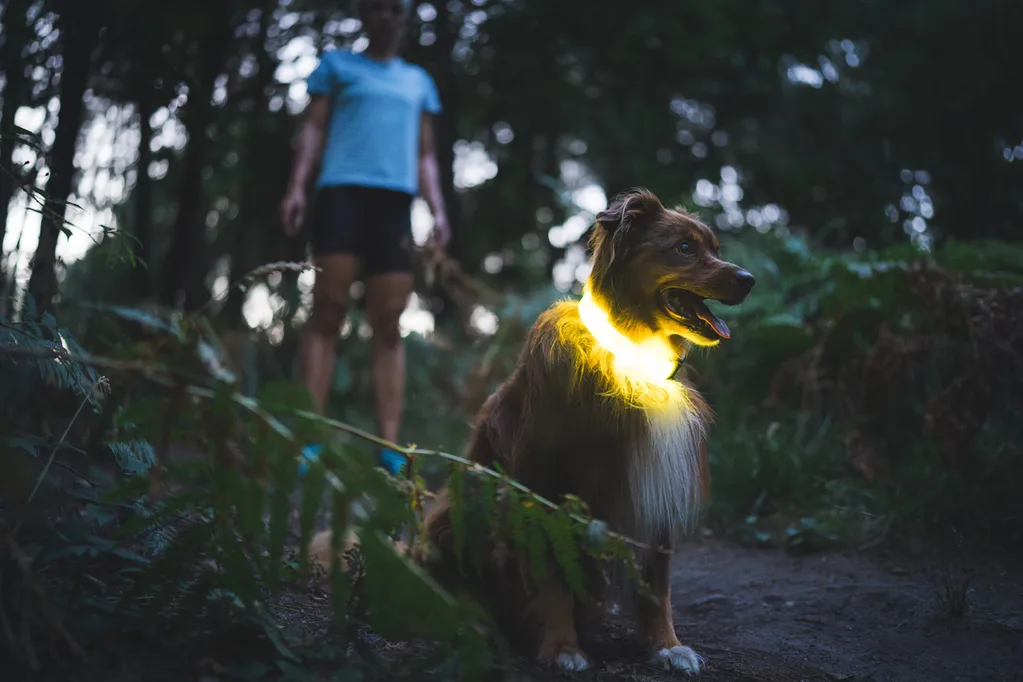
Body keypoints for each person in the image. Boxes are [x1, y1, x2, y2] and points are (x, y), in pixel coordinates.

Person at [280, 0, 451, 476]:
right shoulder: (336, 66)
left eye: (395, 9)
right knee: (327, 312)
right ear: (364, 15)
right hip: (341, 197)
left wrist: (438, 210)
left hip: (394, 204)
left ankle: (387, 447)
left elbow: (426, 157)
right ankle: (306, 438)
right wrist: (296, 186)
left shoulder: (418, 82)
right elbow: (313, 129)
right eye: (377, 7)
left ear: (404, 18)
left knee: (389, 323)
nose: (386, 16)